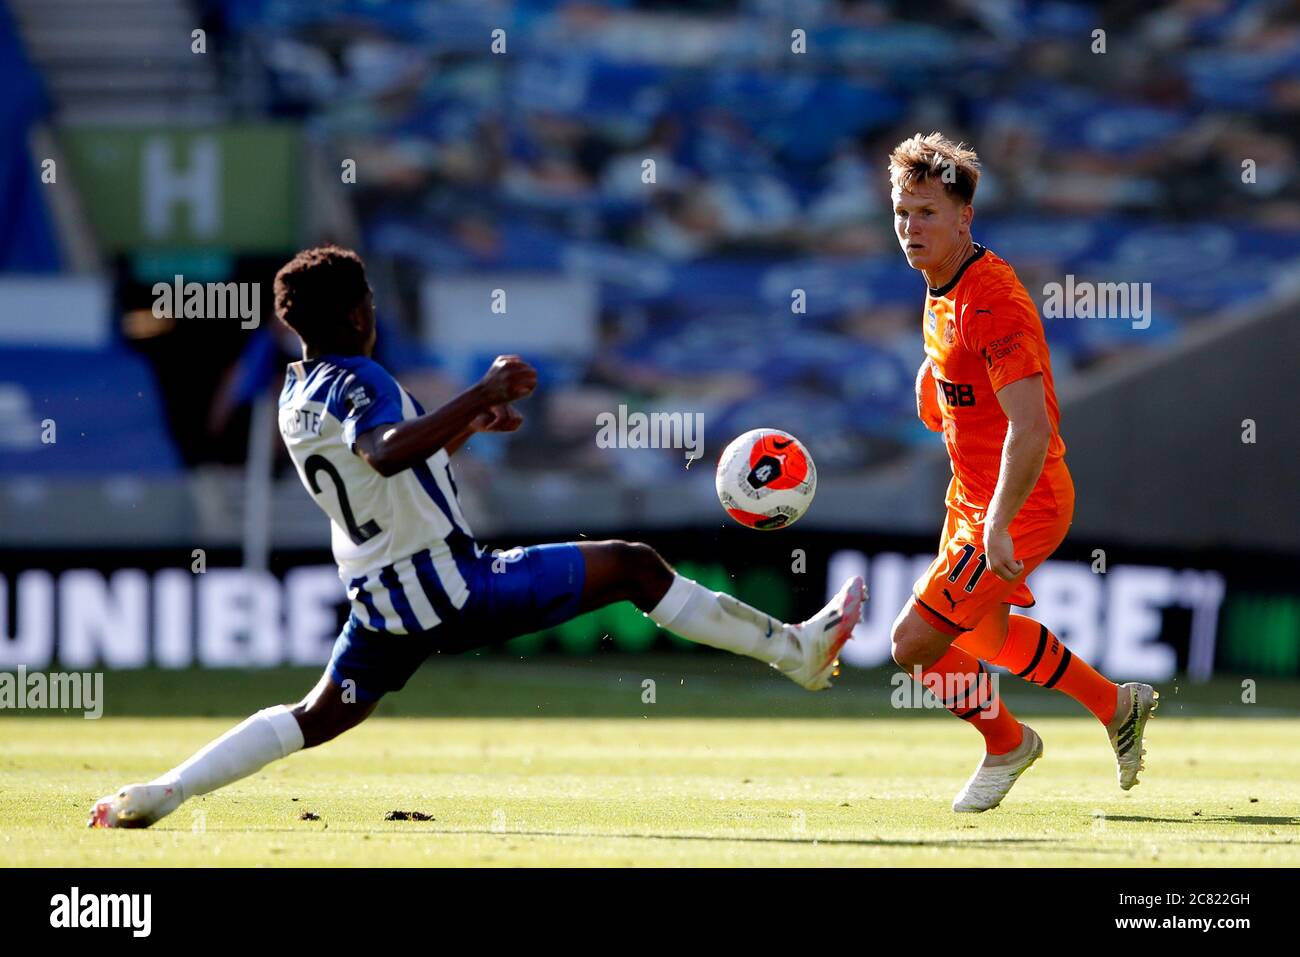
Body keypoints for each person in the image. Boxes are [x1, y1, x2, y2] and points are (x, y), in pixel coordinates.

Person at [89, 245, 865, 829]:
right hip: (448, 581)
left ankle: (164, 791)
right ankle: (792, 651)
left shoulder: (301, 391)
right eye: (368, 299)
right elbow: (387, 451)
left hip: (381, 599)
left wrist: (467, 424)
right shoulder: (360, 378)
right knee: (632, 565)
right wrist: (480, 392)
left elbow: (389, 473)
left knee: (313, 714)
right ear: (359, 311)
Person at [887, 133, 1158, 813]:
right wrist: (935, 384)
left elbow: (1030, 427)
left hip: (1022, 500)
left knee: (913, 643)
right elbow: (957, 368)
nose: (910, 228)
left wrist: (1000, 524)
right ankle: (1113, 703)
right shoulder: (940, 284)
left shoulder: (993, 302)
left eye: (925, 212)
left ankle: (1007, 742)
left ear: (962, 219)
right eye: (901, 212)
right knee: (978, 635)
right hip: (973, 496)